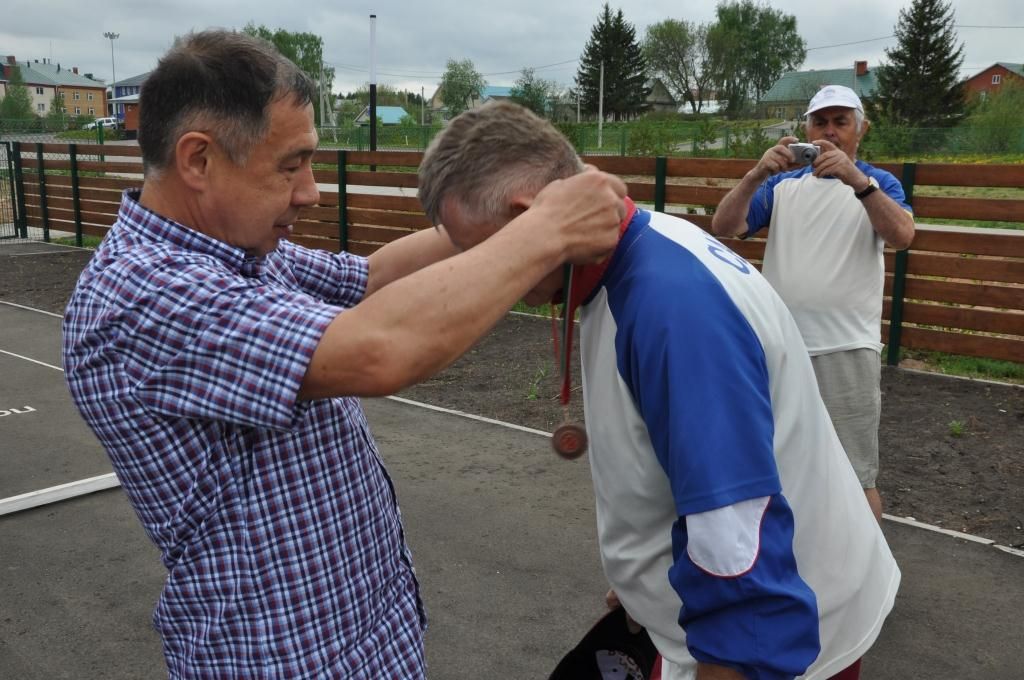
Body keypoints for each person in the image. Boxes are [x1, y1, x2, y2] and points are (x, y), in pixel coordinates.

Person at [61, 31, 626, 679]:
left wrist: (494, 212)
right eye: (290, 165)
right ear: (198, 160)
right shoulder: (146, 294)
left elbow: (373, 280)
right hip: (282, 659)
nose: (311, 192)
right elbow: (379, 351)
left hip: (362, 639)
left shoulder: (238, 253)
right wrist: (546, 229)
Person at [418, 100, 900, 680]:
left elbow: (741, 559)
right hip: (723, 619)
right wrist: (649, 576)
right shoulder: (640, 248)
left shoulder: (671, 310)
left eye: (479, 250)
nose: (481, 272)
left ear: (527, 216)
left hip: (780, 649)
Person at [711, 85, 916, 522]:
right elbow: (725, 226)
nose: (829, 133)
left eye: (840, 122)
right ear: (805, 128)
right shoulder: (784, 185)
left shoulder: (879, 184)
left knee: (855, 475)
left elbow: (902, 236)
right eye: (819, 122)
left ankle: (867, 581)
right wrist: (755, 175)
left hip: (846, 348)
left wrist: (857, 181)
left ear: (860, 129)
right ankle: (791, 566)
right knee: (774, 464)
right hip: (779, 347)